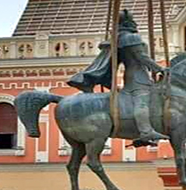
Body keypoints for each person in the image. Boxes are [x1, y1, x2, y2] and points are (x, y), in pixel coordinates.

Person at [68, 9, 168, 146]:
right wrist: (160, 68)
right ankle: (146, 131)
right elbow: (142, 57)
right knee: (142, 101)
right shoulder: (131, 38)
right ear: (129, 22)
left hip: (132, 75)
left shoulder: (119, 38)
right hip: (138, 77)